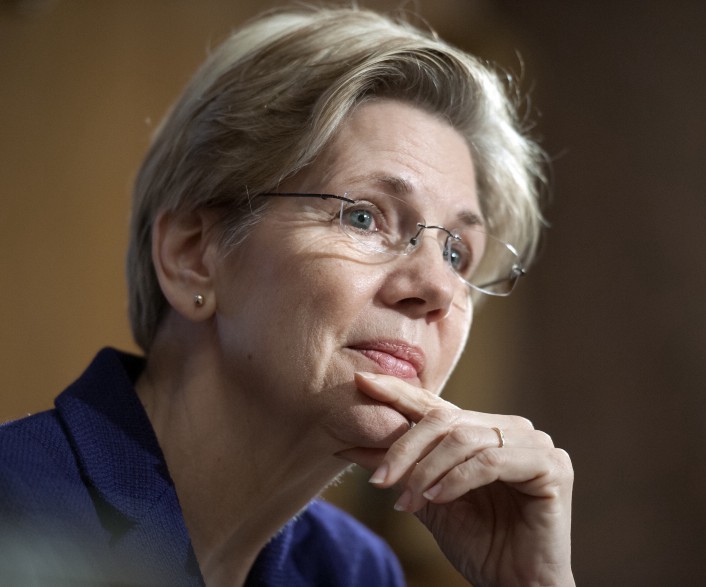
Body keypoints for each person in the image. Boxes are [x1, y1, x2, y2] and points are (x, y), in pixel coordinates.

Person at [0, 5, 574, 586]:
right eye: (362, 217)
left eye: (458, 255)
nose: (435, 289)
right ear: (193, 256)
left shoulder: (353, 572)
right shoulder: (13, 511)